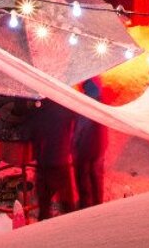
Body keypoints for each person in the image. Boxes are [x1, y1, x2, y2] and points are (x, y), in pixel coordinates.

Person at [29, 97, 76, 220]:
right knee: (67, 204)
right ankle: (72, 222)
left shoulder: (39, 110)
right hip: (60, 160)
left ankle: (45, 224)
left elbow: (32, 132)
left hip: (45, 162)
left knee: (44, 205)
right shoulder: (65, 108)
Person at [72, 79, 108, 209]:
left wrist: (73, 146)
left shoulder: (86, 105)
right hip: (99, 147)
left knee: (83, 177)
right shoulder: (101, 103)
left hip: (85, 148)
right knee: (96, 176)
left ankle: (86, 206)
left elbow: (79, 129)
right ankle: (98, 203)